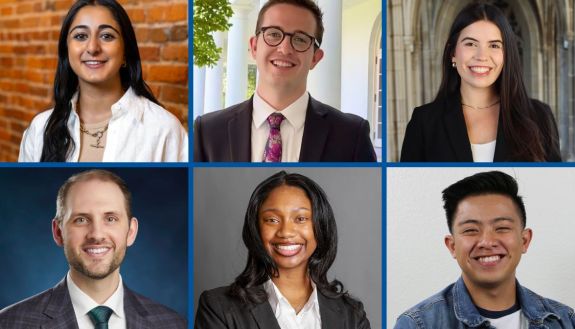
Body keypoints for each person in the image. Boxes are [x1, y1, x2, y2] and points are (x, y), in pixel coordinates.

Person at [0, 170, 187, 328]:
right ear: (58, 232)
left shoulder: (172, 323)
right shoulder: (9, 323)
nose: (97, 235)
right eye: (81, 219)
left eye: (110, 219)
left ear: (131, 231)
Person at [193, 0, 376, 162]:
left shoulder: (352, 135)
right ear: (254, 47)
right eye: (273, 34)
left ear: (315, 58)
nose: (285, 48)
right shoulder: (208, 132)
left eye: (300, 39)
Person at [394, 171, 575, 328]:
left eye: (502, 228)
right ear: (452, 246)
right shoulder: (418, 324)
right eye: (471, 230)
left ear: (525, 240)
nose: (487, 242)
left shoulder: (565, 320)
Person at [195, 171, 371, 328]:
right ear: (255, 228)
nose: (286, 232)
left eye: (301, 218)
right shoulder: (218, 307)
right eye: (272, 220)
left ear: (321, 226)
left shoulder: (351, 315)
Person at [18, 0, 188, 162]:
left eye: (107, 36)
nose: (92, 48)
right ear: (66, 50)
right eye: (80, 36)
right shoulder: (39, 129)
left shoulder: (164, 129)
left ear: (125, 52)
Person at [400, 3, 561, 162]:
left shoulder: (540, 117)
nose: (482, 56)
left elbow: (555, 186)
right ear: (452, 53)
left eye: (494, 45)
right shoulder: (424, 122)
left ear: (506, 55)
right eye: (470, 44)